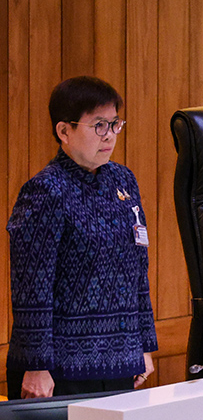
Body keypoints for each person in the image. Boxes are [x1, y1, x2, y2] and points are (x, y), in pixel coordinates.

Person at [6, 76, 157, 399]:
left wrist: (143, 345)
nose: (110, 135)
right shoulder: (46, 191)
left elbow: (137, 272)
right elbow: (31, 285)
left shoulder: (124, 181)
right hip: (60, 370)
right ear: (64, 131)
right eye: (99, 125)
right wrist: (36, 365)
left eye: (115, 124)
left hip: (120, 362)